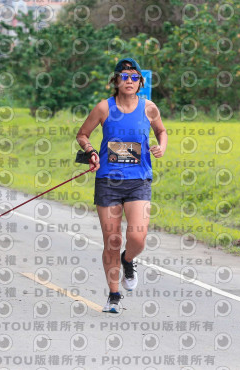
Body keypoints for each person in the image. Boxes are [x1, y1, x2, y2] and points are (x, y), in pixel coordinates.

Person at [76, 57, 168, 313]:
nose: (129, 81)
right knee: (112, 240)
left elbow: (161, 131)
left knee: (138, 237)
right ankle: (114, 295)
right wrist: (91, 151)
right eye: (124, 76)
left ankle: (128, 260)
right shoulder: (103, 108)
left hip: (139, 180)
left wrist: (161, 147)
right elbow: (82, 134)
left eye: (134, 77)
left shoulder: (149, 108)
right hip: (108, 181)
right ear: (116, 81)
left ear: (140, 82)